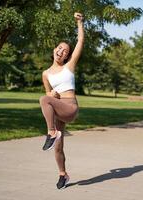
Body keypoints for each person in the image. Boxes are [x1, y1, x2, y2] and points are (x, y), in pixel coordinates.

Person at [39, 12, 84, 189]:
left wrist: (80, 23)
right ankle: (63, 175)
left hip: (70, 108)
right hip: (57, 110)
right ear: (54, 50)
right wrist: (52, 96)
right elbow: (49, 95)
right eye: (59, 47)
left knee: (43, 100)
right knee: (57, 148)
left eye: (65, 51)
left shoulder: (69, 66)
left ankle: (51, 132)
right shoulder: (45, 74)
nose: (61, 51)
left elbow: (80, 42)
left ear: (67, 56)